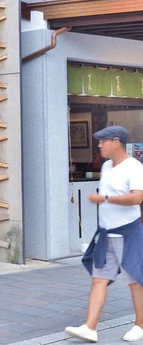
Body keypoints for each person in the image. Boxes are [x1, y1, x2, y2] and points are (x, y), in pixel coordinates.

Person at [65, 126, 143, 343]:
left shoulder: (134, 167)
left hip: (128, 232)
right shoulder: (107, 166)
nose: (99, 145)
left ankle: (140, 324)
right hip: (107, 234)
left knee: (135, 280)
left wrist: (105, 199)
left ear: (115, 142)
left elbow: (137, 198)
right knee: (99, 279)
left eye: (102, 141)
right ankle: (90, 328)